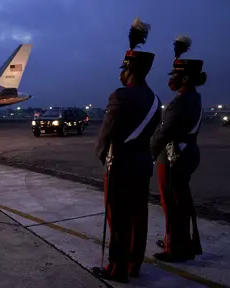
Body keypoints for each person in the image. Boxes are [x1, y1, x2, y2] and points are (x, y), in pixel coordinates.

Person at [92, 17, 162, 283]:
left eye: (124, 68)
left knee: (118, 219)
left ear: (130, 70)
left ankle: (116, 269)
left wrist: (103, 157)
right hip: (142, 164)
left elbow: (105, 136)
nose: (120, 73)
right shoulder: (156, 100)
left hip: (120, 165)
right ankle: (134, 265)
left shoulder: (120, 95)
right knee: (138, 216)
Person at [150, 36, 205, 262]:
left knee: (172, 202)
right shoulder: (193, 97)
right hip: (187, 152)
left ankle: (177, 248)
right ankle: (176, 239)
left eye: (174, 75)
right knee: (179, 201)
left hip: (174, 156)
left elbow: (165, 132)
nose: (170, 79)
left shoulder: (181, 101)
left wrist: (150, 151)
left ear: (184, 78)